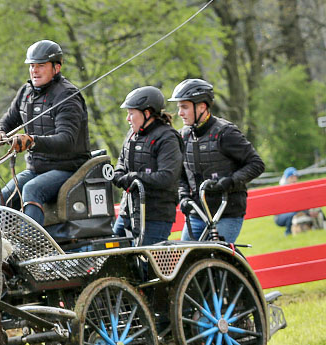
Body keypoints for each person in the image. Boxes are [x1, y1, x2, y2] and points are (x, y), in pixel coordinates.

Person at [0, 40, 91, 231]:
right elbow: (9, 119)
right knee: (2, 199)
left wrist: (32, 142)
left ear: (56, 67)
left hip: (68, 168)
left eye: (41, 66)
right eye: (32, 66)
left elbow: (66, 140)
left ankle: (31, 246)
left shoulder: (67, 96)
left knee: (31, 190)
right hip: (37, 168)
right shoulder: (26, 92)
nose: (35, 71)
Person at [169, 78, 265, 243]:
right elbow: (181, 175)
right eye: (179, 108)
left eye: (184, 107)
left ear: (202, 106)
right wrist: (183, 195)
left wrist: (230, 181)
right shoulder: (183, 137)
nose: (180, 113)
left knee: (216, 256)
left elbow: (256, 164)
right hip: (197, 213)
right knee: (185, 260)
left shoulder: (226, 133)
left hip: (226, 212)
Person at [111, 86, 182, 245]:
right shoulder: (132, 135)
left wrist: (133, 177)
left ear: (147, 113)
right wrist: (117, 175)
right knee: (113, 260)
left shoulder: (167, 138)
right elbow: (122, 164)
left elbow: (167, 177)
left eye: (131, 113)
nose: (127, 119)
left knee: (146, 266)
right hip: (127, 212)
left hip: (155, 216)